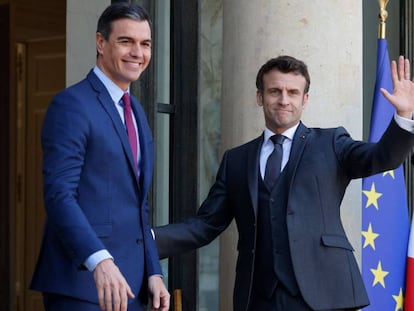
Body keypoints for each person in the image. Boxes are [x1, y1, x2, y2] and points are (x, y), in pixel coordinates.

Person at [154, 55, 414, 311]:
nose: (283, 100)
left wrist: (403, 116)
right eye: (274, 91)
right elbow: (205, 224)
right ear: (260, 97)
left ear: (305, 100)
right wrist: (146, 241)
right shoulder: (236, 160)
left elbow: (382, 158)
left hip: (325, 295)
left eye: (293, 92)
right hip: (258, 298)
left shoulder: (331, 143)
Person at [30, 3, 170, 311]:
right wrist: (99, 261)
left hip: (132, 289)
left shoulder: (137, 113)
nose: (138, 52)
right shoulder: (71, 105)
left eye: (145, 44)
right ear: (100, 43)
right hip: (83, 286)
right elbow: (59, 196)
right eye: (126, 41)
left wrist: (153, 271)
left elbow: (139, 206)